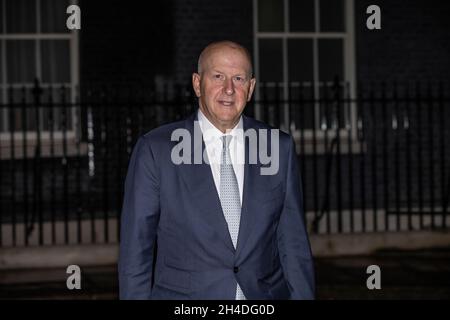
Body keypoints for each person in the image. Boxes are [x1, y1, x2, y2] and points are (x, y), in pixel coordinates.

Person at [118, 40, 315, 300]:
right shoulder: (156, 151)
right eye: (218, 76)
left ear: (251, 87)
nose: (229, 89)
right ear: (197, 84)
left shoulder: (278, 147)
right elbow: (136, 252)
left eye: (239, 78)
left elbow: (293, 244)